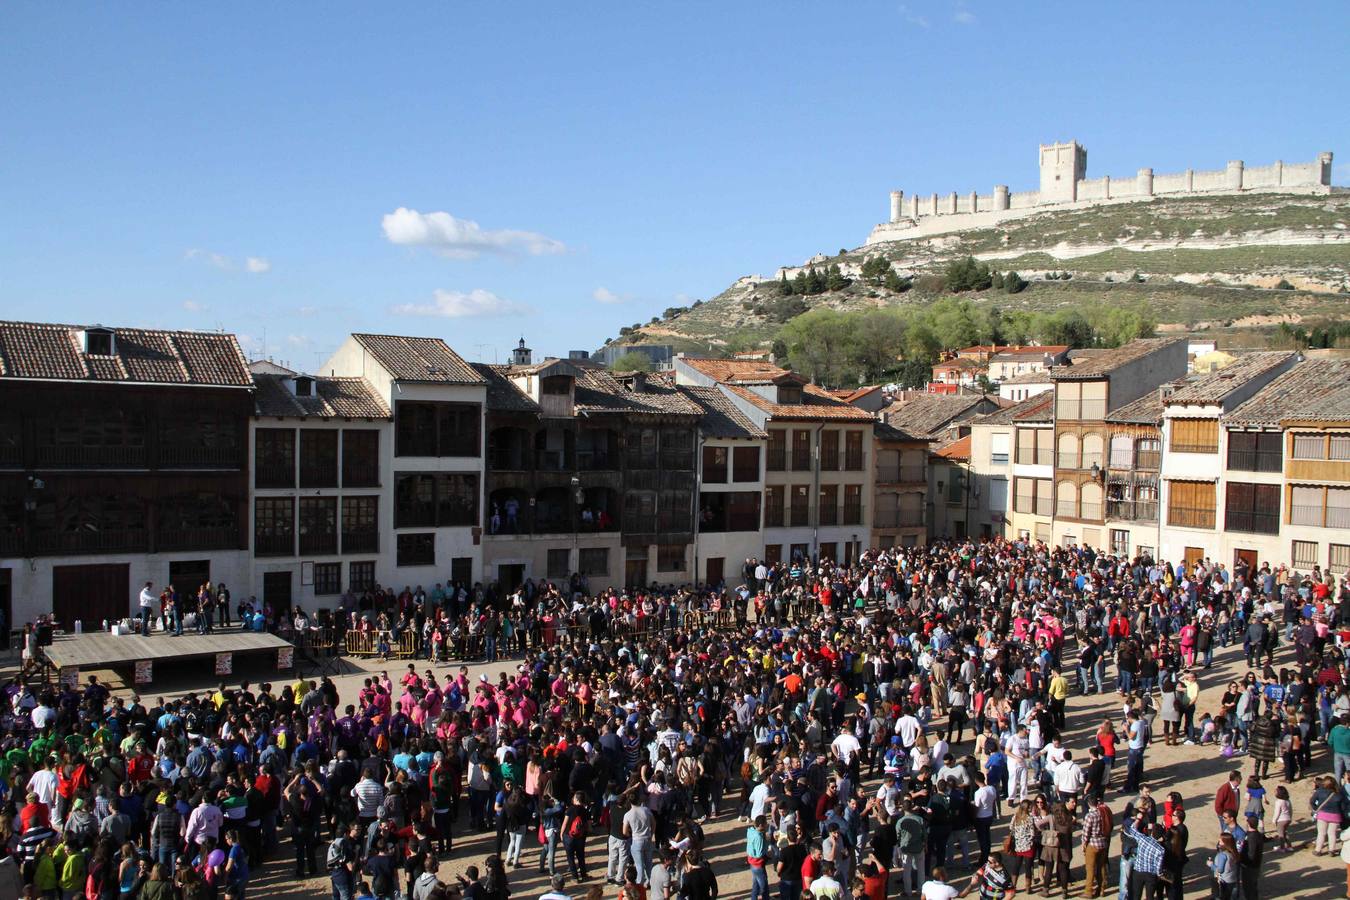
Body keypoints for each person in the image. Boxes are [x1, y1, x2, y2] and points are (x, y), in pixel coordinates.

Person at [1207, 833, 1238, 900]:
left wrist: (1211, 865)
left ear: (1225, 843)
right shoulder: (1233, 852)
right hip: (1232, 879)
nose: (1219, 842)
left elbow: (1220, 870)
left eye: (1221, 841)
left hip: (1224, 881)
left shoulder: (1222, 855)